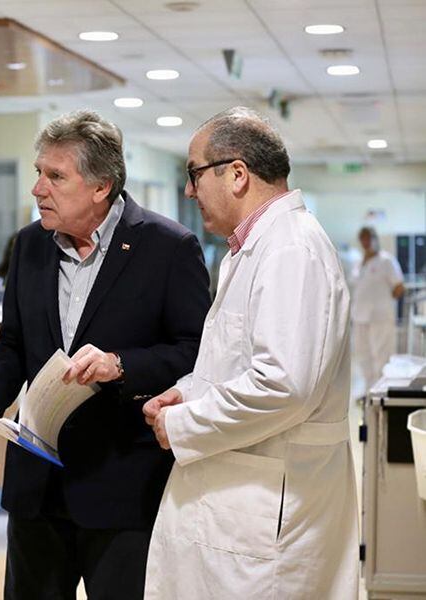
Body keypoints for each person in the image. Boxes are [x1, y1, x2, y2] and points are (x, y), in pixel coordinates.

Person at [0, 110, 211, 599]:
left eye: (55, 176)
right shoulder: (29, 246)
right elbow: (13, 343)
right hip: (37, 488)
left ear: (101, 187)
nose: (38, 188)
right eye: (39, 172)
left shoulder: (168, 247)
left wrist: (122, 365)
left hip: (122, 486)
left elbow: (196, 351)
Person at [142, 107, 358, 599]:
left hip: (269, 513)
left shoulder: (291, 250)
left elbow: (284, 385)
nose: (189, 191)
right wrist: (185, 393)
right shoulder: (254, 248)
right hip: (244, 500)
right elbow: (237, 360)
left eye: (194, 174)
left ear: (237, 174)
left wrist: (183, 424)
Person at [351, 225, 404, 392]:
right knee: (363, 356)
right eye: (363, 238)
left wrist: (383, 303)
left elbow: (399, 287)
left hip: (380, 317)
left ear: (375, 239)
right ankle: (368, 392)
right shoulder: (358, 263)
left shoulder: (386, 260)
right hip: (360, 317)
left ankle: (382, 392)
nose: (366, 242)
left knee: (382, 356)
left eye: (369, 238)